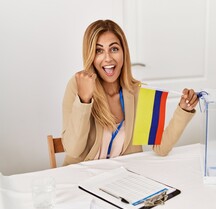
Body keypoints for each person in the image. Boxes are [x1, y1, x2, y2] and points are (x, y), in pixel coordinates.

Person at [62, 19, 199, 165]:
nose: (108, 58)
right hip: (81, 178)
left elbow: (161, 148)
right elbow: (73, 150)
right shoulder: (77, 86)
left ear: (124, 52)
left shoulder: (137, 91)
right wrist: (84, 100)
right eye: (99, 50)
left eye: (114, 49)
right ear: (91, 56)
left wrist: (184, 110)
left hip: (124, 178)